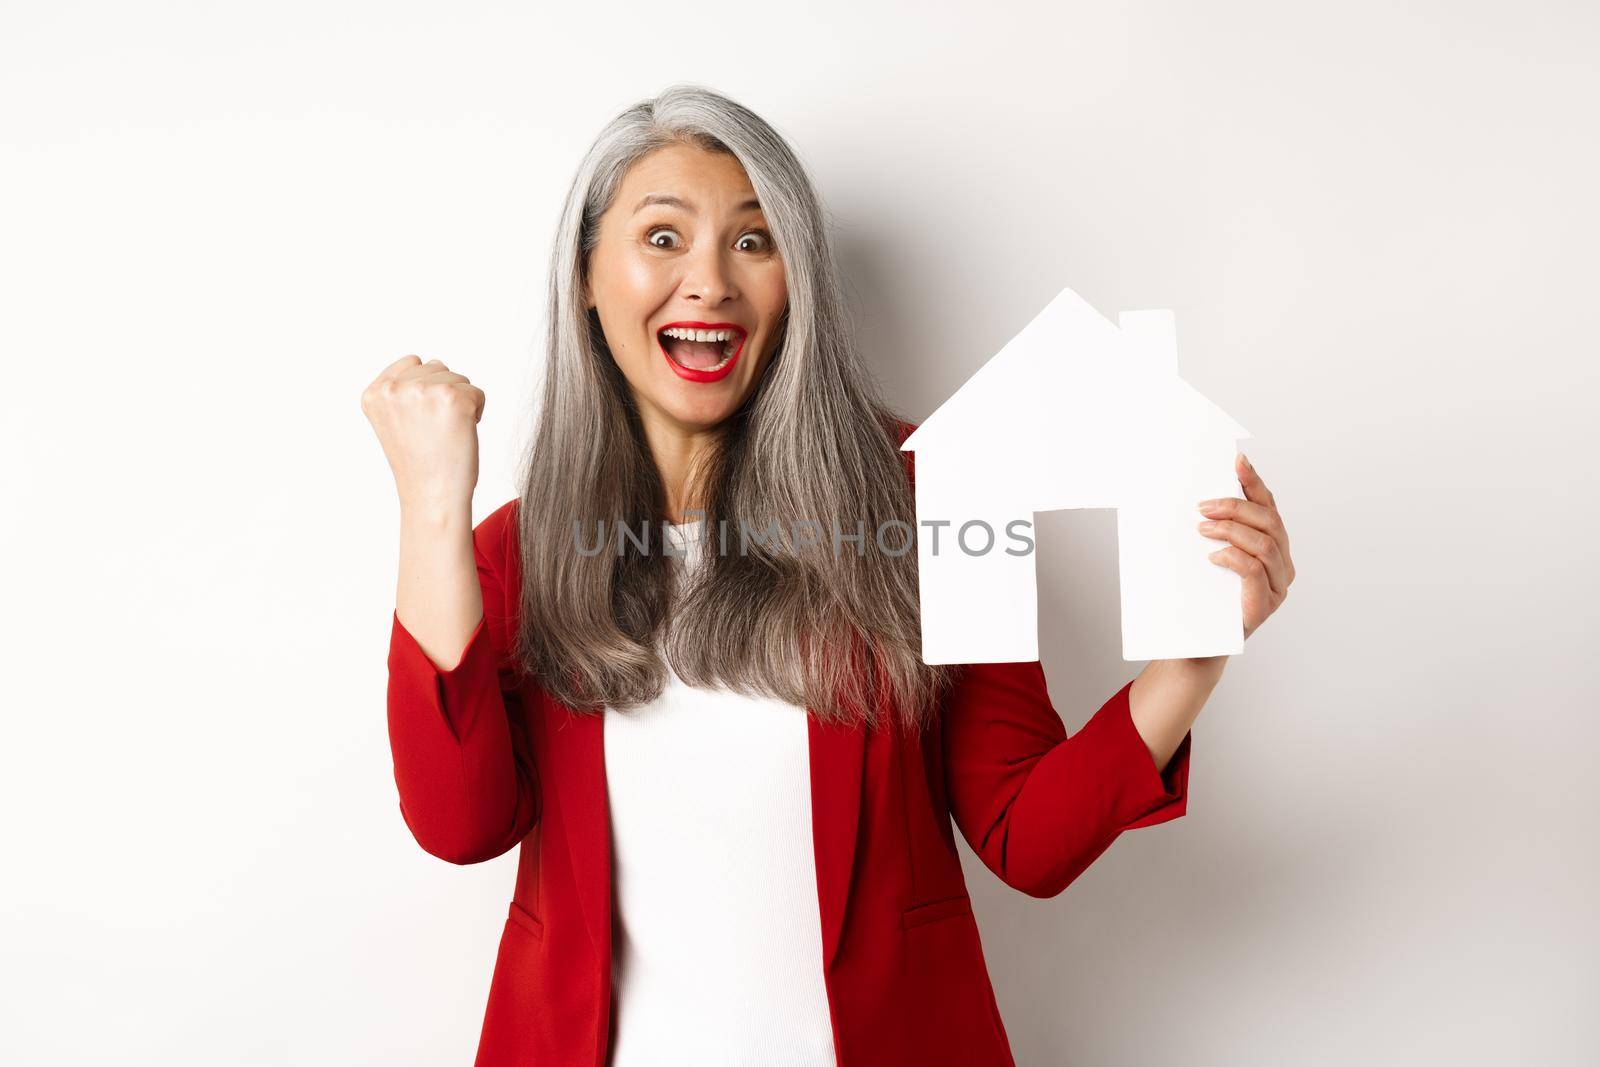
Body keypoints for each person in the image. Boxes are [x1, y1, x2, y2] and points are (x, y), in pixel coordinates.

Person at [360, 84, 1295, 1067]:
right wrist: (432, 509)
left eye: (753, 241)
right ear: (587, 277)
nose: (710, 282)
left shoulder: (935, 495)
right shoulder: (519, 551)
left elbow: (1027, 835)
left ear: (795, 281)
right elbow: (460, 824)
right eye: (664, 238)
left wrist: (1191, 659)